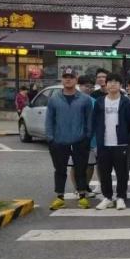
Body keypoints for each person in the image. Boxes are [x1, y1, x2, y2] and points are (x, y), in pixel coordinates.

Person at [46, 68, 93, 210]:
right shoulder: (54, 99)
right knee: (60, 170)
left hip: (80, 140)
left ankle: (82, 196)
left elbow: (89, 120)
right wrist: (50, 138)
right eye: (65, 77)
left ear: (76, 80)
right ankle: (60, 197)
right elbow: (49, 120)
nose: (68, 79)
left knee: (81, 169)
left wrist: (87, 137)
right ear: (62, 79)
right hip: (59, 141)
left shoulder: (85, 99)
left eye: (71, 77)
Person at [93, 73, 130, 211]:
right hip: (103, 143)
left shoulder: (126, 102)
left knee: (121, 173)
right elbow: (95, 121)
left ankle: (121, 197)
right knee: (104, 172)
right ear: (106, 84)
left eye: (116, 82)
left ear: (120, 85)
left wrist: (123, 134)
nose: (112, 84)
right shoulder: (99, 102)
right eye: (110, 82)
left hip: (121, 143)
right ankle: (107, 197)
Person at [68, 75, 98, 198]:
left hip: (91, 139)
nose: (89, 89)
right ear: (79, 86)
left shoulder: (94, 101)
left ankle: (85, 187)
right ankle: (77, 189)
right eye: (86, 86)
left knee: (90, 165)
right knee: (76, 165)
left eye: (91, 87)